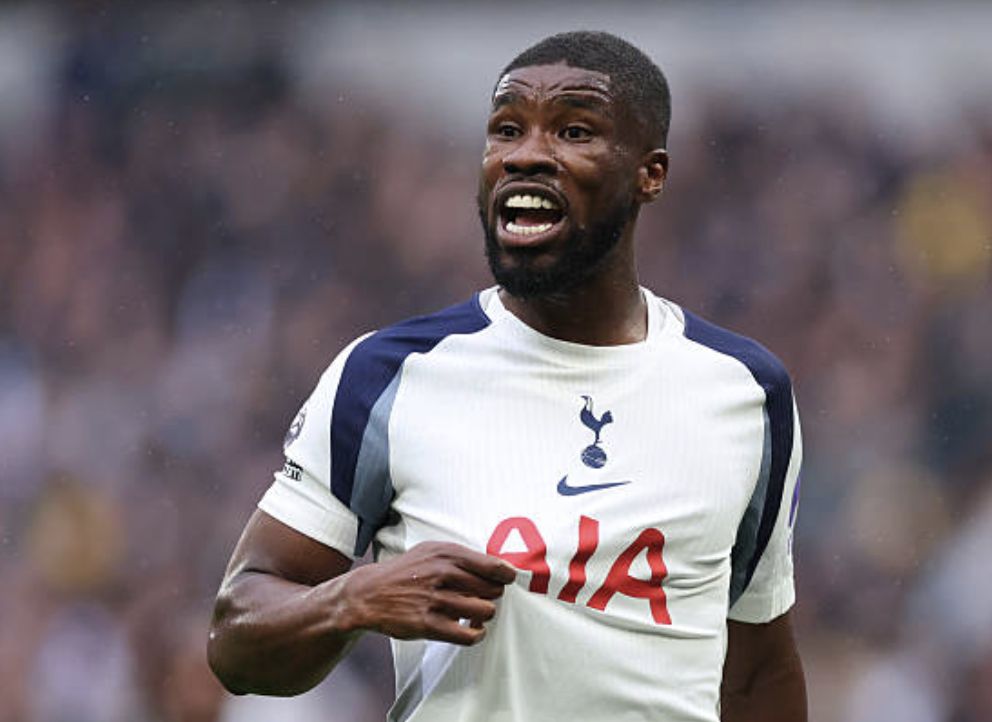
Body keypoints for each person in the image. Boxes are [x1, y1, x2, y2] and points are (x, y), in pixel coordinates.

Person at [208, 30, 806, 722]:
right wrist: (355, 599)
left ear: (651, 174)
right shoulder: (387, 377)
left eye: (574, 131)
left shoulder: (746, 392)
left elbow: (757, 670)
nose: (525, 155)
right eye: (506, 130)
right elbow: (235, 639)